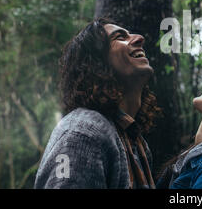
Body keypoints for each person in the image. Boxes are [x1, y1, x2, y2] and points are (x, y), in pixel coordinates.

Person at [34, 17, 160, 189]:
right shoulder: (83, 131)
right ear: (96, 62)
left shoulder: (137, 144)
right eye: (120, 37)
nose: (139, 38)